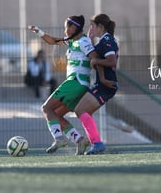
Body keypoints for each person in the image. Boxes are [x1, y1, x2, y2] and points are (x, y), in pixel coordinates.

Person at [29, 15, 99, 155]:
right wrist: (39, 32)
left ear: (73, 28)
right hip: (79, 84)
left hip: (75, 82)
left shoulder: (83, 42)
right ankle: (80, 140)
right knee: (56, 115)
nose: (65, 30)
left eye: (66, 27)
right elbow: (52, 40)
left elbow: (95, 58)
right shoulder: (72, 41)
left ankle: (59, 138)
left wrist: (99, 75)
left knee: (46, 108)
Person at [74, 14, 119, 155]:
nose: (91, 28)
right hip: (103, 84)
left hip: (106, 86)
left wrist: (95, 62)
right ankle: (96, 143)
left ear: (101, 26)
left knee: (80, 110)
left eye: (93, 25)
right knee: (83, 111)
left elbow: (111, 61)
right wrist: (92, 40)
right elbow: (98, 57)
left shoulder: (107, 41)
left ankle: (97, 144)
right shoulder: (103, 41)